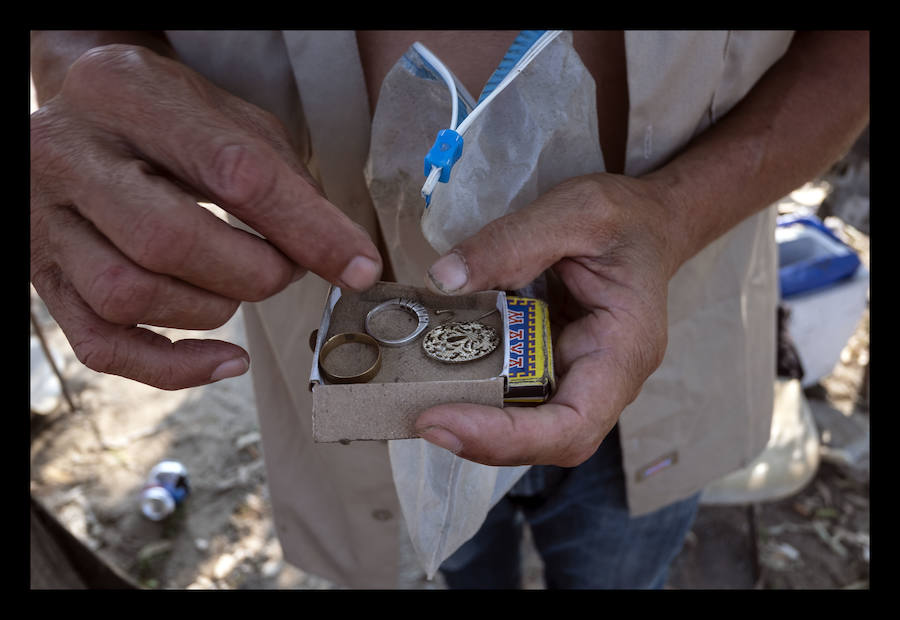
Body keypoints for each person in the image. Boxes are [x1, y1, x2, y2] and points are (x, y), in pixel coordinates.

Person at [30, 30, 869, 589]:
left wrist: (681, 212)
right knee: (445, 570)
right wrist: (83, 89)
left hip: (667, 354)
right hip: (371, 411)